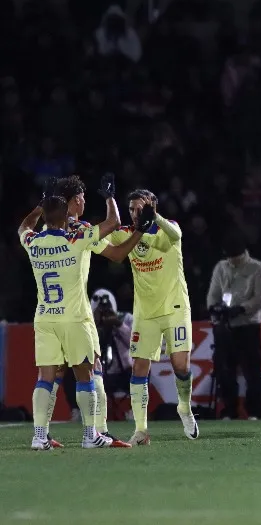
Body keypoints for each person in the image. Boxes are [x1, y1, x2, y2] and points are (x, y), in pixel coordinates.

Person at [19, 176, 139, 449]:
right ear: (70, 205)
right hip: (75, 317)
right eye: (82, 198)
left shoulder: (34, 242)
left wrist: (41, 205)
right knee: (88, 373)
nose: (84, 201)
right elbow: (113, 227)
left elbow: (24, 226)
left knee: (47, 376)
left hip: (45, 317)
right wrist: (110, 197)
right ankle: (92, 434)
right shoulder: (79, 237)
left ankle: (40, 436)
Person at [104, 189, 198, 445]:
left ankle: (184, 408)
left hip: (175, 307)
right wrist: (109, 199)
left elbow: (176, 235)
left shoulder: (168, 229)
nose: (135, 213)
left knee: (181, 367)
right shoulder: (126, 233)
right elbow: (105, 231)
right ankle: (141, 430)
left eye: (140, 208)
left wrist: (153, 218)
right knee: (139, 369)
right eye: (132, 208)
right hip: (145, 313)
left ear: (152, 207)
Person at [207, 232, 261, 420]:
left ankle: (254, 411)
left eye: (235, 257)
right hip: (223, 326)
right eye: (229, 257)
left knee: (252, 372)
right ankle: (229, 410)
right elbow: (213, 292)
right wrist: (214, 308)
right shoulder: (221, 267)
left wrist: (242, 308)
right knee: (225, 371)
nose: (232, 261)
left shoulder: (257, 268)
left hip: (248, 326)